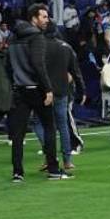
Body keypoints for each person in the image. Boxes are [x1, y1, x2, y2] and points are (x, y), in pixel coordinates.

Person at [8, 4, 68, 181]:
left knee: (18, 134)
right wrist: (48, 89)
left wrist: (16, 82)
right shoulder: (37, 37)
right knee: (49, 128)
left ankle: (17, 173)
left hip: (19, 90)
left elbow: (7, 65)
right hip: (37, 89)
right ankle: (53, 170)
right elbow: (38, 65)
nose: (47, 20)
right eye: (44, 16)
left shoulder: (13, 37)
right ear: (33, 18)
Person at [33, 24, 84, 171]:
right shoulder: (66, 47)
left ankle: (49, 155)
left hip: (44, 91)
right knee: (63, 126)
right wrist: (82, 89)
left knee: (39, 123)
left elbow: (36, 68)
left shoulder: (40, 47)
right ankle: (67, 160)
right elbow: (75, 71)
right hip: (62, 91)